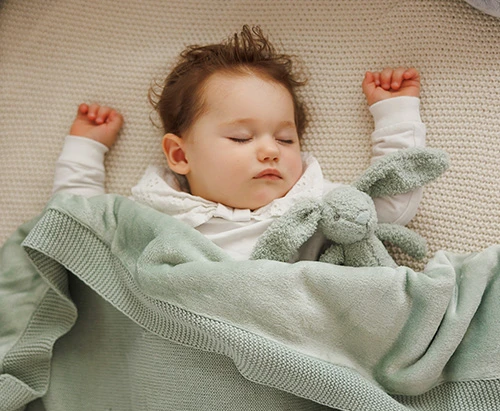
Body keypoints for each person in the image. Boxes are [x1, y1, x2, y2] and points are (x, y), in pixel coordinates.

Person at [52, 25, 425, 260]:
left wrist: (395, 113)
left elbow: (390, 204)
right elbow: (75, 229)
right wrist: (86, 149)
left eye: (285, 139)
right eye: (241, 137)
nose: (271, 150)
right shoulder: (154, 212)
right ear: (180, 154)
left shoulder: (313, 203)